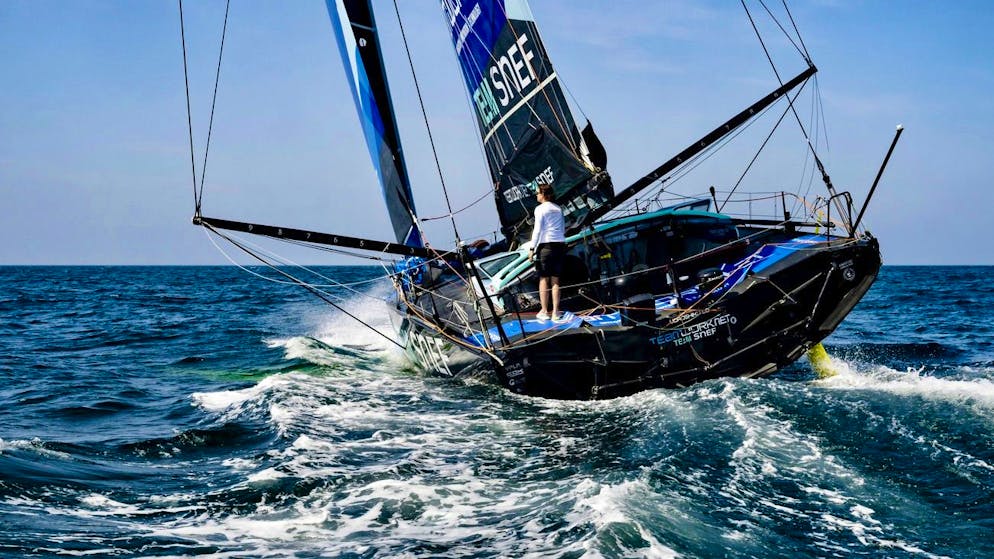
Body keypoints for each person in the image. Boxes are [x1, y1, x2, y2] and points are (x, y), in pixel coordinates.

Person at [528, 183, 566, 321]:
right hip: (560, 245)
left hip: (546, 246)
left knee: (544, 279)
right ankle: (556, 312)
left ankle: (544, 311)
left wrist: (532, 249)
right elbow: (562, 228)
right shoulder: (558, 208)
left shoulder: (540, 209)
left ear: (544, 194)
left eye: (538, 193)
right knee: (556, 279)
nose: (536, 195)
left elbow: (537, 229)